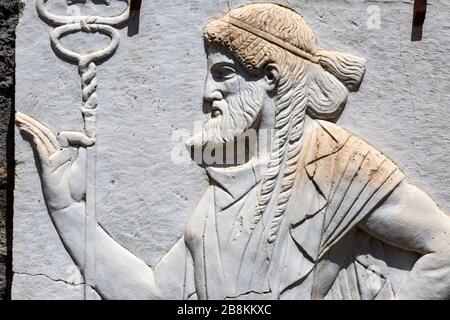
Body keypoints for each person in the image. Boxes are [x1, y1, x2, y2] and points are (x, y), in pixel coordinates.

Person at [16, 3, 450, 300]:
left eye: (223, 74)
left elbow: (444, 249)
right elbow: (153, 293)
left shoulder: (332, 160)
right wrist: (67, 210)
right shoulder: (225, 189)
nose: (208, 93)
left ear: (273, 78)